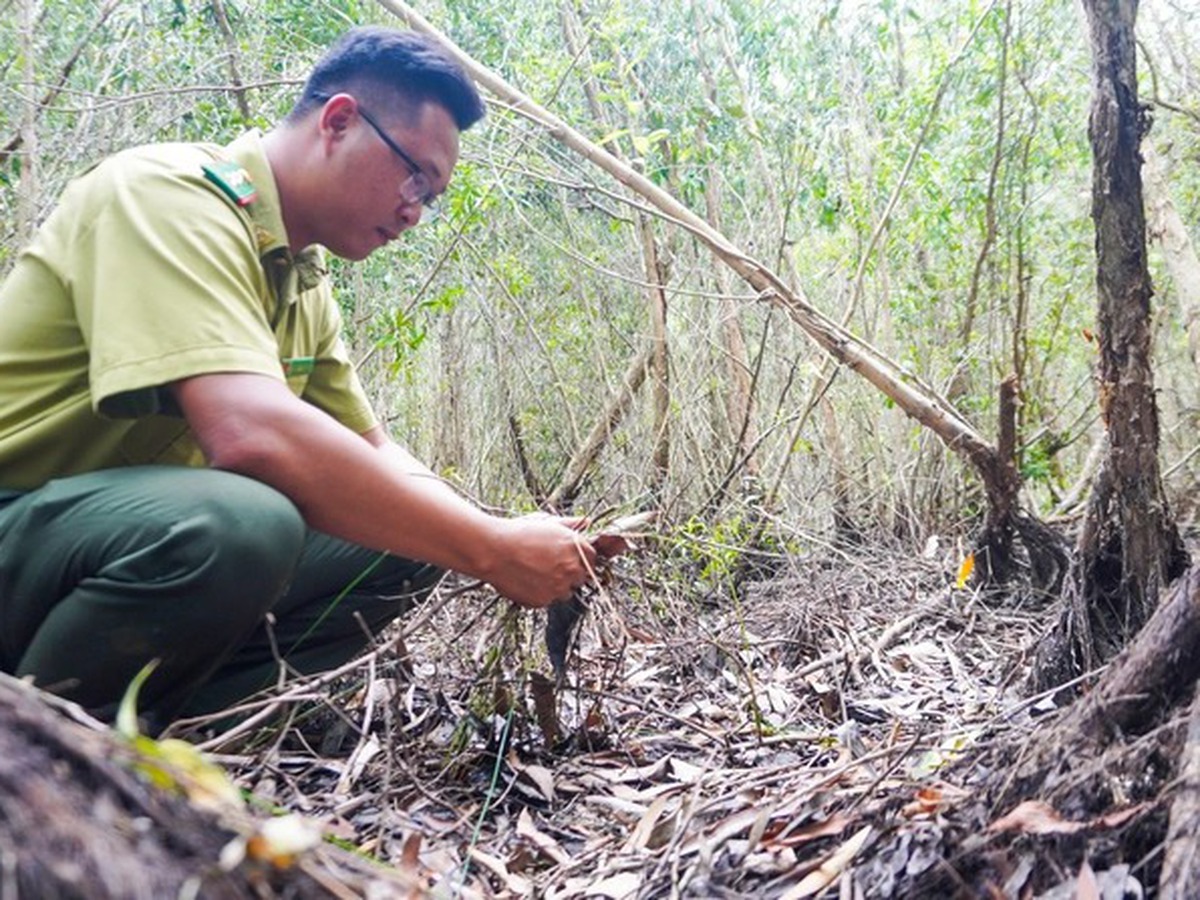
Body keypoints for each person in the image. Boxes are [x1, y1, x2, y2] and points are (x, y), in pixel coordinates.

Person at [0, 26, 596, 731]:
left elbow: (375, 453)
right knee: (243, 525)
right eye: (415, 176)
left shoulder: (302, 282)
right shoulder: (166, 195)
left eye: (431, 198)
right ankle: (52, 750)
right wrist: (491, 551)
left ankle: (180, 729)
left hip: (85, 554)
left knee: (403, 543)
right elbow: (247, 432)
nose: (415, 210)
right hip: (20, 522)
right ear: (339, 121)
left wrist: (493, 531)